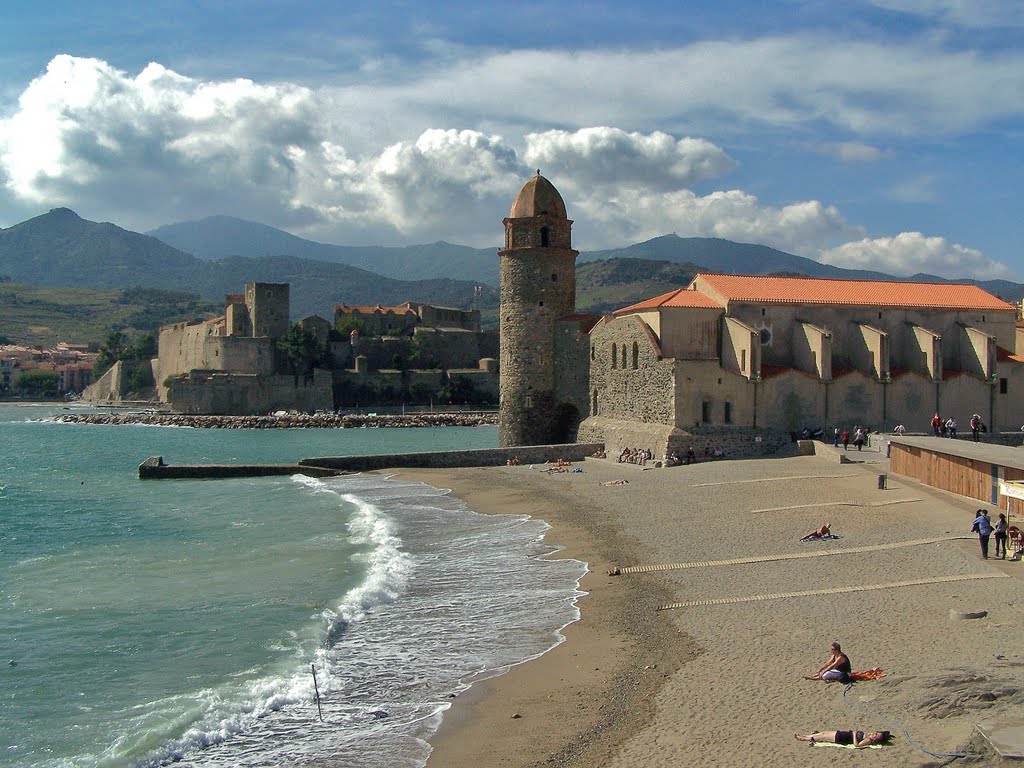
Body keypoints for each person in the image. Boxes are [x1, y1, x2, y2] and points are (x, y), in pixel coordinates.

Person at [795, 730, 892, 748]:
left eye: (876, 736)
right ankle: (806, 736)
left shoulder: (869, 740)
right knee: (823, 733)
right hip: (844, 734)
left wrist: (854, 734)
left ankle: (804, 738)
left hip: (843, 738)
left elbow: (857, 745)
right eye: (876, 733)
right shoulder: (870, 736)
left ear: (876, 740)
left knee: (822, 737)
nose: (874, 735)